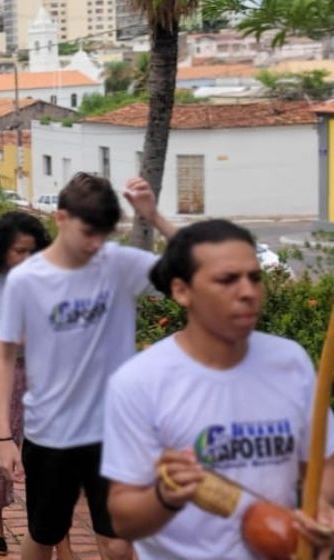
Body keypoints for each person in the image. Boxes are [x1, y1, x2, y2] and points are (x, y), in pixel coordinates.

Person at [101, 219, 334, 560]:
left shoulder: (290, 362)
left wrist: (323, 510)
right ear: (182, 291)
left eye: (254, 277)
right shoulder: (139, 382)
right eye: (227, 279)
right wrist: (165, 497)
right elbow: (123, 520)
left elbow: (321, 462)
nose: (248, 291)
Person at [0, 172, 176, 560]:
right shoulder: (27, 279)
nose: (96, 244)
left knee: (119, 541)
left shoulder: (119, 265)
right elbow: (5, 355)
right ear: (60, 218)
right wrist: (4, 438)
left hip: (116, 434)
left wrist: (154, 215)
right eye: (88, 232)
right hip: (50, 434)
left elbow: (198, 265)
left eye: (103, 235)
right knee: (44, 534)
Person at [0, 212, 72, 559]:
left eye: (31, 250)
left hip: (45, 377)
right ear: (1, 249)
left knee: (51, 456)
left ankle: (57, 535)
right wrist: (13, 340)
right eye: (17, 251)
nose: (24, 258)